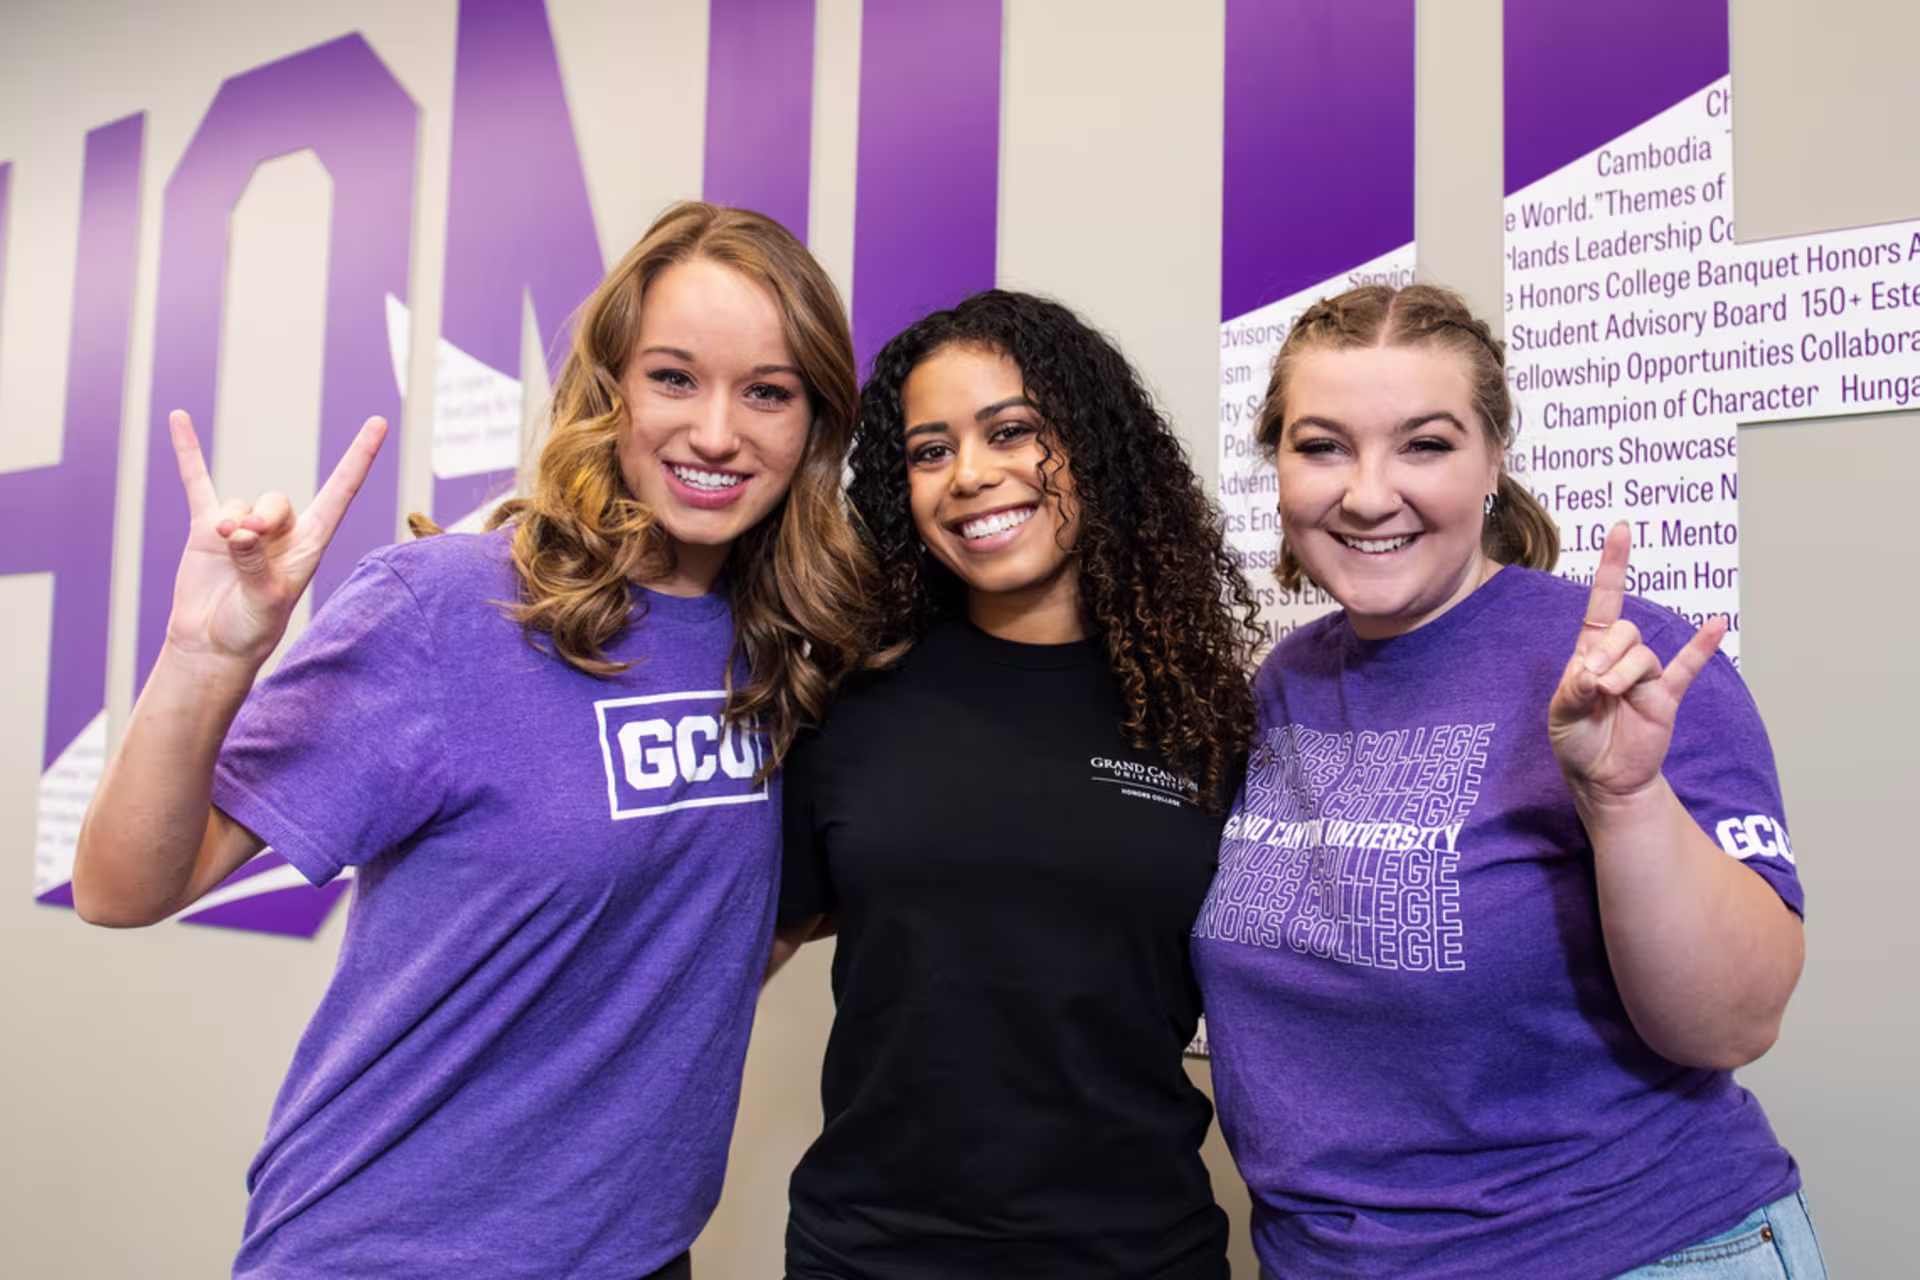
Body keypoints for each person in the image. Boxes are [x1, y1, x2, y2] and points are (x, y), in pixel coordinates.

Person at [71, 202, 877, 1279]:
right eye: (674, 377)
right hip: (394, 1248)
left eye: (767, 391)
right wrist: (205, 660)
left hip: (640, 1251)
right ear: (612, 388)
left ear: (814, 421)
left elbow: (750, 900)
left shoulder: (787, 645)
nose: (718, 432)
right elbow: (123, 886)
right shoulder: (447, 608)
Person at [1191, 283, 1821, 1279]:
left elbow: (1732, 1023)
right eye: (1322, 446)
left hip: (1623, 1249)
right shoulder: (1285, 684)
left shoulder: (1622, 660)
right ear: (1278, 465)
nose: (1366, 491)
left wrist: (1624, 799)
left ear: (1492, 461)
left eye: (1425, 444)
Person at [772, 289, 1261, 1279]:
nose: (973, 475)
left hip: (1137, 1254)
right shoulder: (847, 703)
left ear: (1092, 448)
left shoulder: (1209, 718)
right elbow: (704, 966)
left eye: (1014, 431)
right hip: (871, 1257)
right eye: (930, 450)